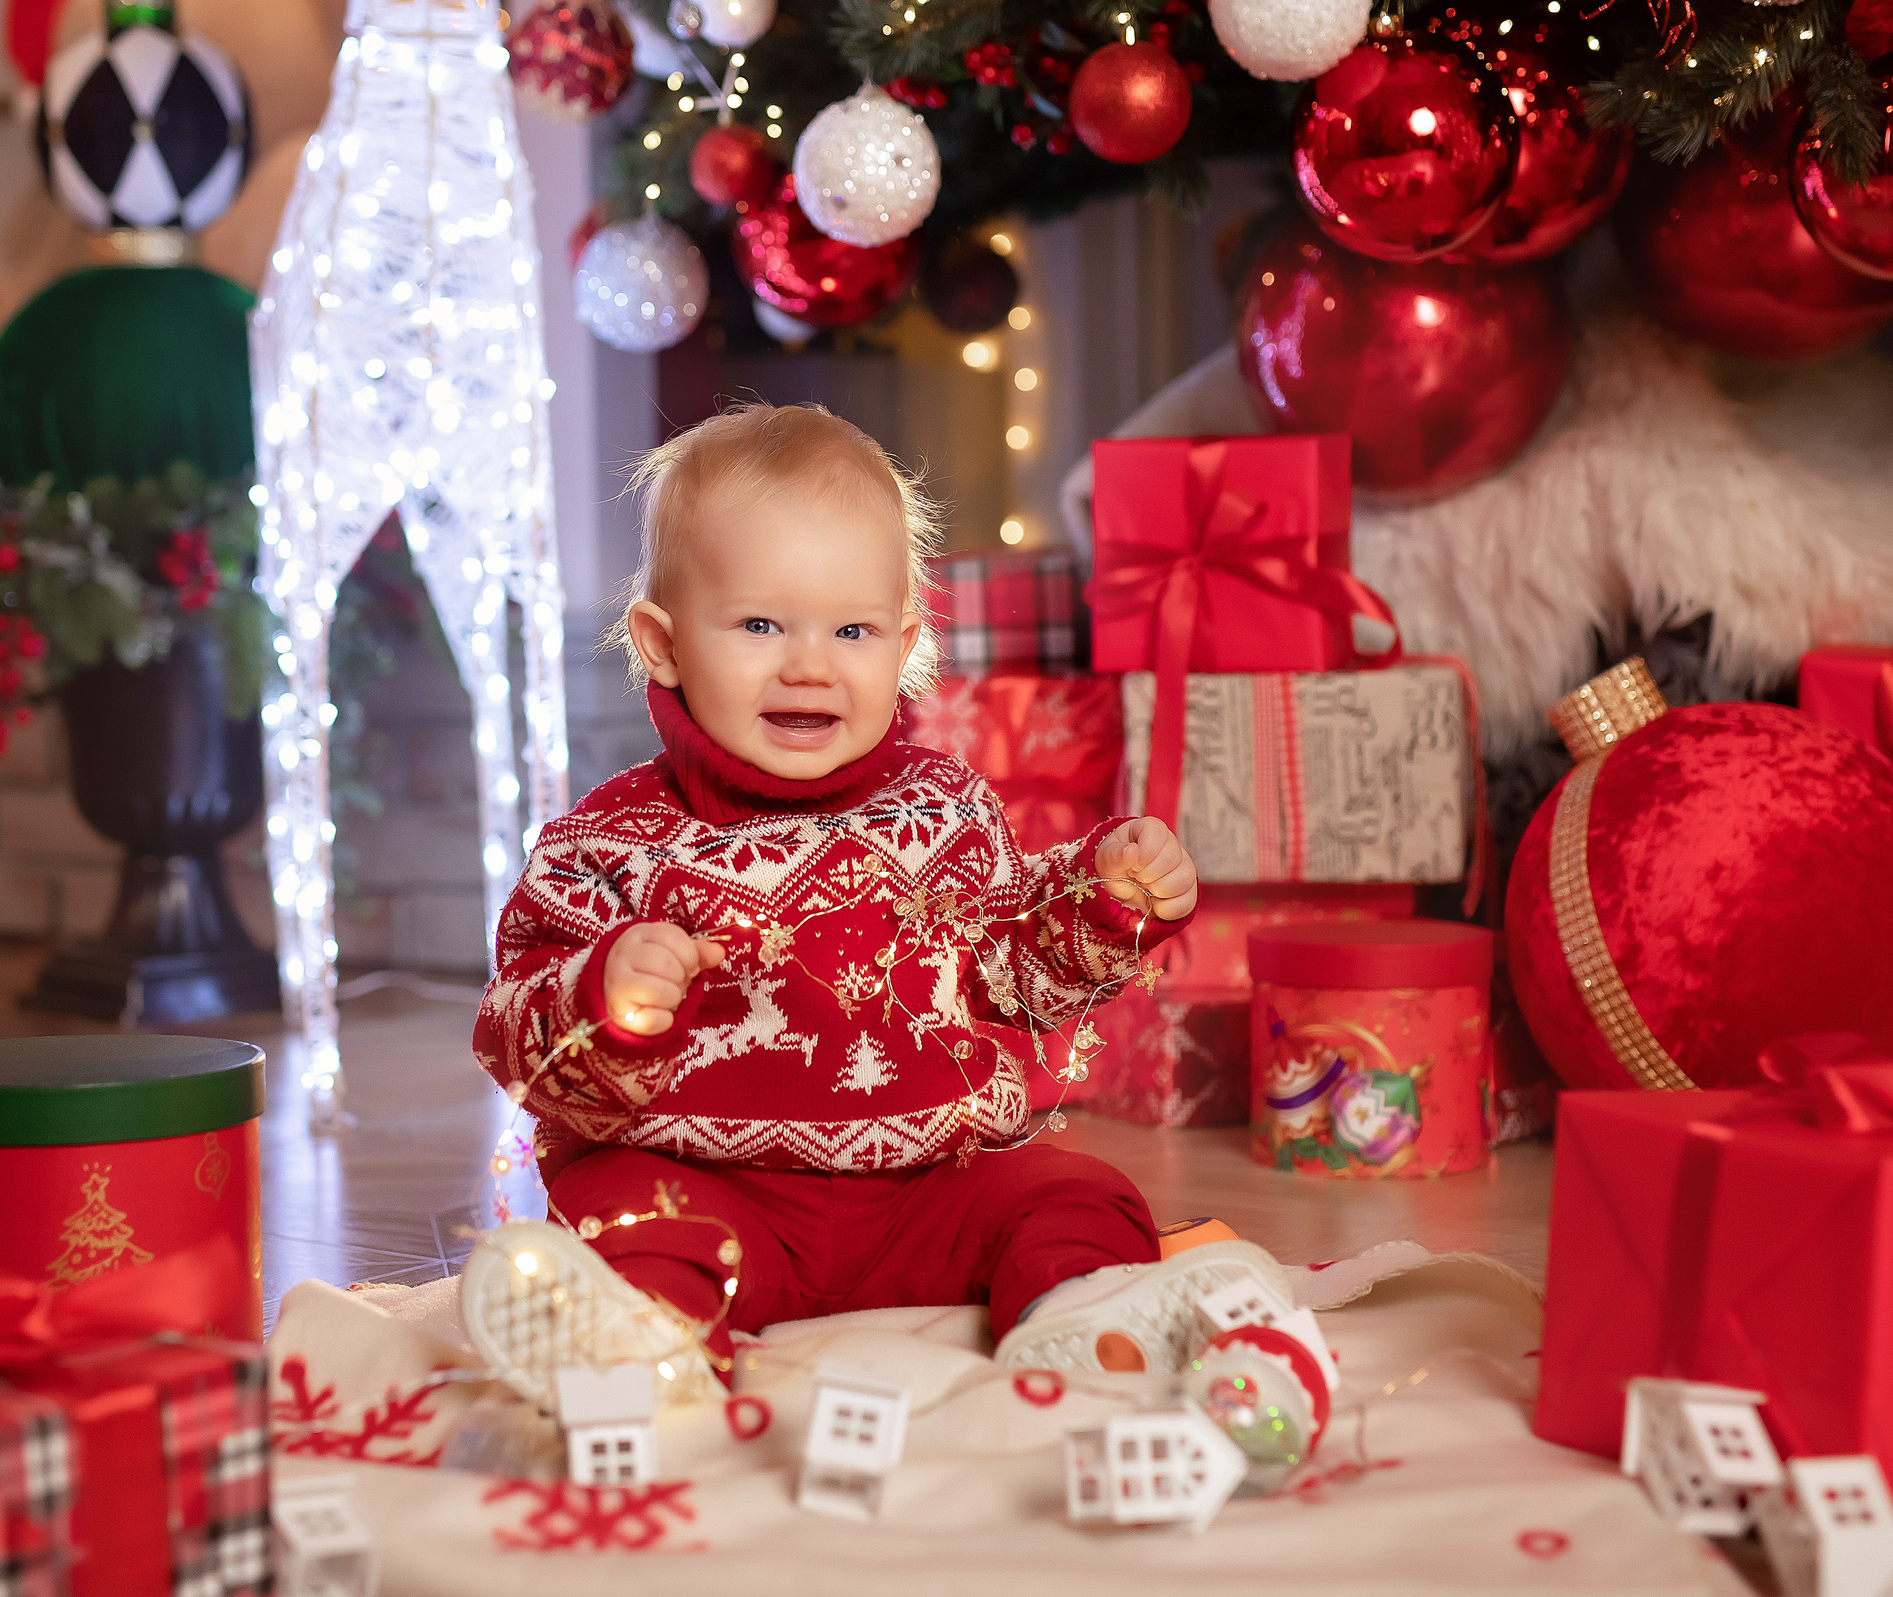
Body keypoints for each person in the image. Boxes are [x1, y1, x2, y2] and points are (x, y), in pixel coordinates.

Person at [465, 402, 1290, 1406]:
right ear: (663, 644)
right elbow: (514, 1035)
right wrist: (602, 998)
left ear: (900, 646)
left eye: (851, 629)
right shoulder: (606, 843)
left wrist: (1103, 899)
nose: (810, 663)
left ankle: (1082, 1315)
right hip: (710, 1190)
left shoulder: (942, 811)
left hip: (927, 1193)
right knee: (628, 1225)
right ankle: (638, 1351)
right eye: (760, 624)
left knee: (1075, 1191)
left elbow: (1015, 972)